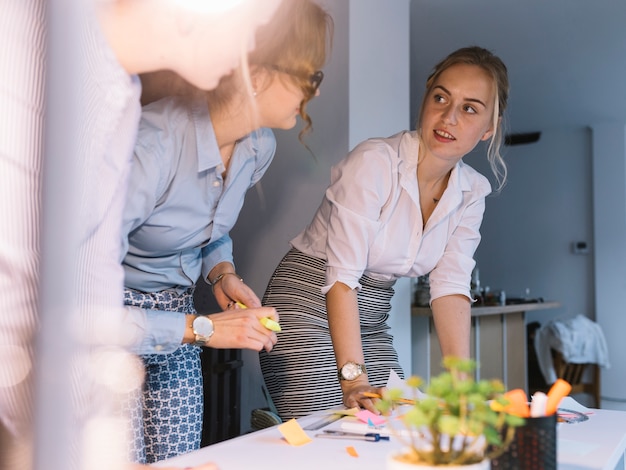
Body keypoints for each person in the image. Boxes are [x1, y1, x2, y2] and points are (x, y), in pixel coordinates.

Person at [0, 0, 286, 469]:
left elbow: (86, 288)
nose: (250, 48)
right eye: (250, 23)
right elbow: (49, 311)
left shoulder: (119, 92)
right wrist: (204, 328)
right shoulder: (38, 62)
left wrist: (220, 274)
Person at [119, 0, 333, 463]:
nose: (314, 94)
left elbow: (209, 228)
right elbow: (75, 304)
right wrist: (204, 329)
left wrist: (221, 273)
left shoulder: (259, 147)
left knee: (180, 459)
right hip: (113, 322)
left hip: (181, 317)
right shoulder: (149, 148)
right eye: (310, 77)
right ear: (257, 74)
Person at [259, 46, 510, 420]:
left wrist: (462, 387)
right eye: (441, 97)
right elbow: (342, 278)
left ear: (489, 127)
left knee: (398, 424)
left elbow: (451, 288)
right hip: (306, 306)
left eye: (470, 108)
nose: (449, 117)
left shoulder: (472, 193)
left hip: (371, 320)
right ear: (426, 97)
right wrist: (354, 379)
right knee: (342, 430)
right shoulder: (374, 163)